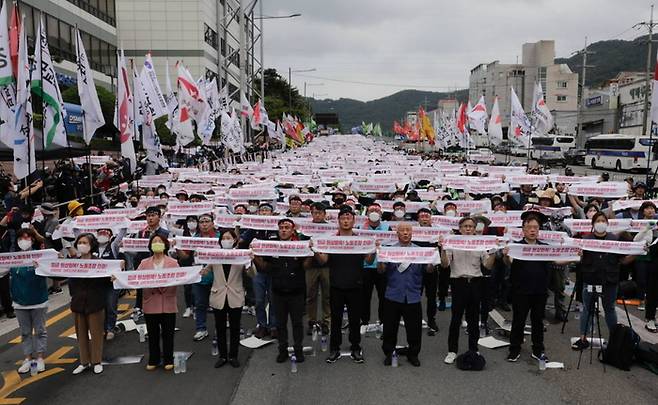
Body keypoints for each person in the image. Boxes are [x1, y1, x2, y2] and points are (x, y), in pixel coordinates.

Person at [503, 212, 572, 363]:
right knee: (518, 321)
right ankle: (514, 349)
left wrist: (575, 257)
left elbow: (557, 261)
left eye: (535, 227)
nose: (533, 230)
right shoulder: (516, 246)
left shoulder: (545, 248)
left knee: (537, 322)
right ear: (523, 229)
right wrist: (506, 255)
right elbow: (509, 262)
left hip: (540, 291)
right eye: (529, 227)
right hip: (520, 291)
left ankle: (538, 349)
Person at [314, 206, 376, 364]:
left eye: (349, 218)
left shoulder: (360, 240)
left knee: (355, 320)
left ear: (354, 220)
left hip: (356, 284)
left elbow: (368, 260)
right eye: (343, 218)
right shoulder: (332, 239)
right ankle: (334, 348)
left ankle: (355, 347)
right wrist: (315, 250)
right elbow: (324, 260)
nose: (346, 220)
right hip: (336, 285)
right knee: (336, 320)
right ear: (339, 221)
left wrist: (374, 250)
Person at [572, 213, 632, 349]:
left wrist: (637, 253)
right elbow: (578, 259)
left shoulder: (614, 240)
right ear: (593, 224)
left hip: (610, 280)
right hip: (590, 279)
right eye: (598, 221)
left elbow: (623, 260)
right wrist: (577, 255)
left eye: (603, 220)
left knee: (610, 308)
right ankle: (583, 338)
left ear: (607, 223)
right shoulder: (585, 240)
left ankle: (614, 339)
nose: (600, 223)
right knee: (587, 309)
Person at [253, 219, 310, 363]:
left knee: (297, 323)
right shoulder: (272, 246)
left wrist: (311, 252)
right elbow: (265, 267)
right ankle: (282, 350)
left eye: (287, 227)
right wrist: (255, 257)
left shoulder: (299, 245)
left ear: (292, 230)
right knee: (280, 324)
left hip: (296, 292)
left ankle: (298, 349)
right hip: (278, 292)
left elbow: (306, 266)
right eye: (281, 228)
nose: (283, 230)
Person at [440, 217, 495, 364]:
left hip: (476, 282)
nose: (468, 229)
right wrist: (443, 248)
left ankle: (473, 348)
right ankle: (452, 350)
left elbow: (488, 265)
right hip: (459, 283)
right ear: (460, 228)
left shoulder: (480, 244)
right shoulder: (452, 242)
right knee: (456, 318)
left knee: (473, 318)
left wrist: (494, 252)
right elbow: (445, 265)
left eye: (471, 226)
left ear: (475, 228)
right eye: (465, 226)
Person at [378, 222, 433, 367]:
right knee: (390, 327)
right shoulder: (389, 250)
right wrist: (380, 255)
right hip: (393, 294)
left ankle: (413, 354)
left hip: (413, 295)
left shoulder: (420, 251)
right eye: (402, 230)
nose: (405, 233)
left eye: (408, 230)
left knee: (414, 328)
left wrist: (432, 261)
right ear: (397, 233)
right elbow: (381, 270)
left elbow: (429, 270)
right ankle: (389, 353)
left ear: (412, 233)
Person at [206, 230, 255, 368]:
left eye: (229, 238)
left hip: (235, 294)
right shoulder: (215, 255)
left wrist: (250, 261)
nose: (226, 240)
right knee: (220, 328)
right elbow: (205, 271)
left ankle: (233, 355)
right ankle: (222, 356)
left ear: (234, 240)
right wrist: (199, 258)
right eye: (223, 238)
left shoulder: (241, 255)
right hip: (218, 295)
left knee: (235, 328)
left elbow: (252, 274)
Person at [70, 233, 110, 375]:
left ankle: (97, 361)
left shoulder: (99, 263)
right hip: (78, 303)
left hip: (95, 303)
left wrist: (116, 272)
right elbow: (57, 274)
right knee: (81, 334)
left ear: (91, 245)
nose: (82, 245)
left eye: (85, 242)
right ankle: (84, 362)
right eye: (80, 242)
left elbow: (107, 281)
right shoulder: (72, 262)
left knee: (96, 333)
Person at [137, 234, 179, 370]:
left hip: (168, 301)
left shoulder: (173, 263)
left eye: (159, 241)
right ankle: (153, 359)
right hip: (151, 301)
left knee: (168, 333)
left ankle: (168, 359)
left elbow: (182, 277)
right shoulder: (144, 263)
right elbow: (133, 278)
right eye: (154, 241)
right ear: (150, 245)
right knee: (153, 333)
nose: (157, 243)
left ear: (165, 244)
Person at [11, 229, 48, 374]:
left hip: (38, 301)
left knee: (40, 331)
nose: (23, 240)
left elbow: (52, 268)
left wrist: (41, 266)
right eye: (21, 238)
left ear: (32, 240)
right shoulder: (13, 258)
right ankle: (28, 358)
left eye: (27, 238)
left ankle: (39, 358)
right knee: (25, 332)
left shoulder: (41, 256)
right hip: (20, 302)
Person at [359, 203, 389, 330]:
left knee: (384, 296)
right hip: (366, 267)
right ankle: (364, 321)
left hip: (382, 266)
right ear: (367, 214)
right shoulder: (360, 229)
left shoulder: (387, 228)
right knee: (365, 296)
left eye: (377, 210)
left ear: (381, 214)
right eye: (371, 210)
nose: (374, 212)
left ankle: (384, 320)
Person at [303, 202, 331, 335]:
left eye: (320, 213)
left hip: (327, 266)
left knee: (327, 296)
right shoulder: (306, 228)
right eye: (315, 212)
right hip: (311, 266)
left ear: (324, 214)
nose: (317, 215)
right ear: (311, 214)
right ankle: (311, 321)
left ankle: (326, 321)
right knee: (310, 296)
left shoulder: (331, 229)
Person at [191, 213, 219, 341]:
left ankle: (221, 328)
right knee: (200, 303)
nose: (204, 224)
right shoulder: (194, 239)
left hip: (218, 277)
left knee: (219, 305)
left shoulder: (220, 237)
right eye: (201, 222)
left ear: (213, 223)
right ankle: (201, 328)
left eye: (207, 221)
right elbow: (186, 256)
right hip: (199, 277)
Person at [97, 227, 126, 340]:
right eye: (100, 233)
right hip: (97, 283)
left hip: (112, 282)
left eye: (105, 233)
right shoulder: (93, 247)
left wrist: (124, 223)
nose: (102, 235)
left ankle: (110, 328)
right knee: (99, 307)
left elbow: (121, 234)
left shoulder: (113, 247)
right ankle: (101, 328)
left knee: (111, 305)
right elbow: (78, 237)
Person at [415, 207, 439, 335]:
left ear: (430, 218)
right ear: (418, 219)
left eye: (427, 216)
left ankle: (431, 319)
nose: (424, 219)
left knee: (431, 296)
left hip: (431, 267)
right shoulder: (412, 231)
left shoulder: (437, 232)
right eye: (422, 217)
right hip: (416, 268)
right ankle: (416, 319)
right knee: (415, 295)